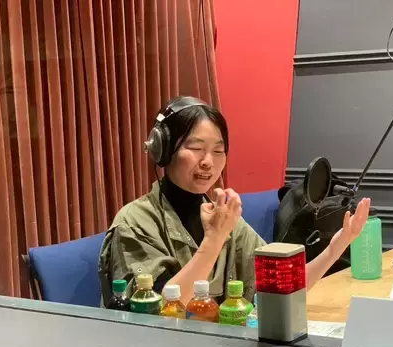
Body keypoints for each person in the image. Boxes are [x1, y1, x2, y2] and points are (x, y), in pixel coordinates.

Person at [98, 96, 371, 306]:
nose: (208, 162)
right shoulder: (135, 221)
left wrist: (336, 247)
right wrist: (214, 239)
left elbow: (282, 284)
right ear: (162, 150)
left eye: (218, 151)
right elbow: (158, 312)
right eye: (195, 148)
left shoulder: (223, 217)